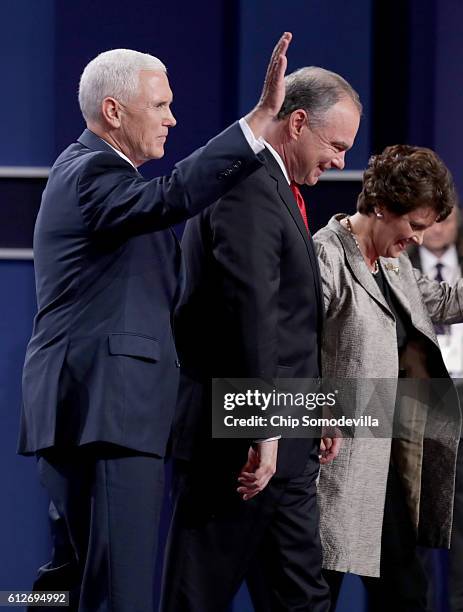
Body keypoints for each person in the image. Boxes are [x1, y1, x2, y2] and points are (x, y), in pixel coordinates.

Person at [18, 33, 294, 612]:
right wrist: (257, 121)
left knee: (67, 590)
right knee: (121, 594)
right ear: (114, 112)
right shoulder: (90, 174)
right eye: (161, 105)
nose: (173, 118)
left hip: (91, 413)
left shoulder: (91, 176)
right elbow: (173, 196)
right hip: (108, 415)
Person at [160, 66, 361, 611]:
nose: (342, 161)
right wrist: (265, 428)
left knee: (302, 600)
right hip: (239, 450)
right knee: (195, 598)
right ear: (297, 123)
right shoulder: (247, 187)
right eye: (337, 146)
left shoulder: (278, 188)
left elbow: (294, 324)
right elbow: (249, 316)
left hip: (284, 447)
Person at [313, 144, 461, 612]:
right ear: (380, 205)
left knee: (405, 595)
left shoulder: (394, 264)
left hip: (388, 462)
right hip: (332, 466)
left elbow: (441, 301)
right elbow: (291, 349)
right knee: (318, 594)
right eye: (413, 225)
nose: (419, 238)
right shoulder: (326, 256)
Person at [408, 206, 463, 612]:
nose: (441, 227)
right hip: (418, 402)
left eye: (449, 217)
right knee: (415, 520)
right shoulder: (398, 265)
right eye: (433, 217)